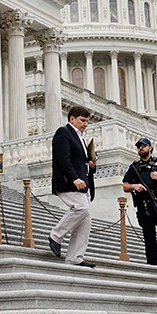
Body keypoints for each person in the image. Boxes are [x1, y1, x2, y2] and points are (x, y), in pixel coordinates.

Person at [48, 105, 97, 268]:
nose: (85, 124)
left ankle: (75, 257)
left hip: (83, 184)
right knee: (81, 208)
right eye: (82, 120)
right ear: (72, 119)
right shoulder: (63, 132)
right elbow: (62, 159)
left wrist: (90, 165)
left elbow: (79, 162)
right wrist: (74, 178)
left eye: (87, 122)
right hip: (68, 182)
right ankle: (56, 235)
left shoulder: (81, 138)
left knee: (85, 221)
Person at [121, 138, 157, 267]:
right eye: (138, 146)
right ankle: (152, 262)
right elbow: (125, 186)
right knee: (148, 235)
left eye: (143, 146)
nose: (141, 148)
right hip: (144, 204)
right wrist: (134, 186)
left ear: (150, 148)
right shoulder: (135, 167)